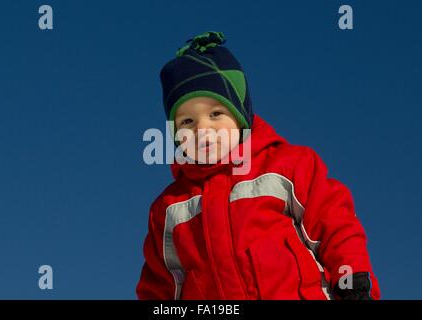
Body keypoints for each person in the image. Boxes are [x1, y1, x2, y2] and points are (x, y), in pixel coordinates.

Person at [136, 31, 380, 300]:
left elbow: (335, 226)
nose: (202, 128)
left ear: (240, 117)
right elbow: (160, 285)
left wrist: (353, 282)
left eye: (216, 114)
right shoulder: (168, 209)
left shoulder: (289, 166)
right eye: (187, 122)